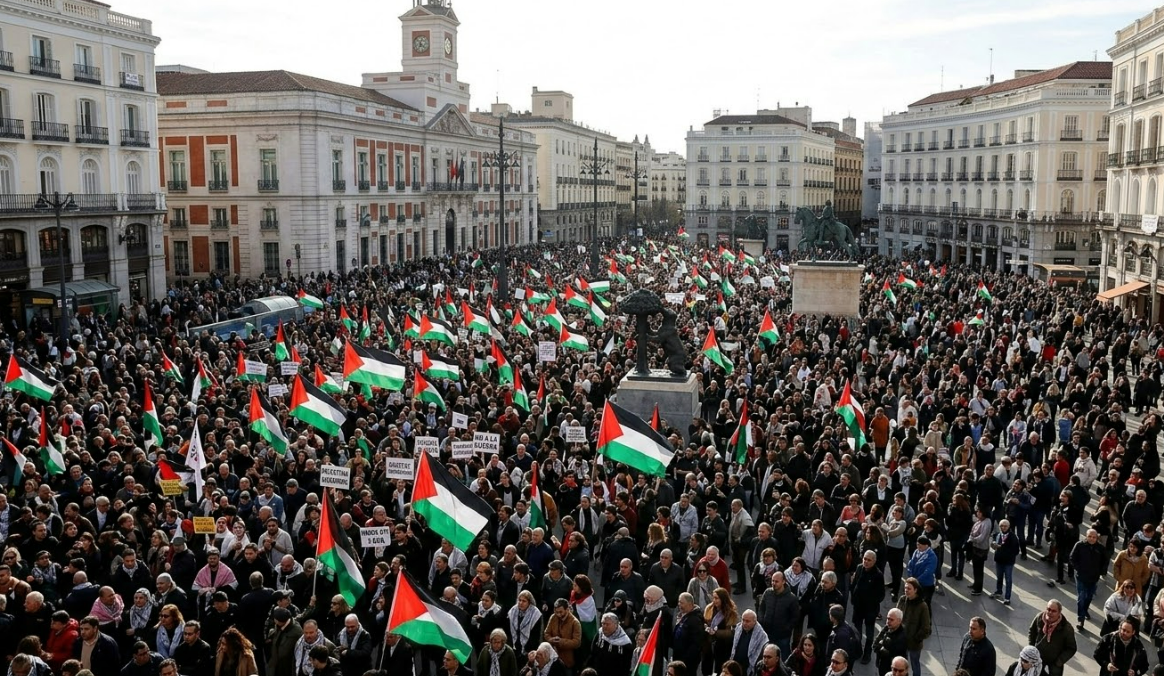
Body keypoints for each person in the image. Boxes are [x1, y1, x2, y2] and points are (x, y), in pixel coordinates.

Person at [1026, 600, 1077, 676]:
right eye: (1048, 609)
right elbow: (1032, 631)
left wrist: (1060, 661)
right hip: (1038, 656)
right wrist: (1032, 648)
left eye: (1053, 611)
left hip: (1055, 661)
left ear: (1059, 613)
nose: (1050, 613)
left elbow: (1072, 648)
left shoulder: (1066, 628)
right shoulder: (1039, 618)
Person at [1072, 528, 1107, 631]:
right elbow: (1072, 558)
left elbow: (1105, 561)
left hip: (1093, 578)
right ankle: (1080, 619)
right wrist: (1079, 568)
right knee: (1081, 598)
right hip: (1081, 577)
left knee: (1089, 597)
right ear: (1086, 536)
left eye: (1094, 537)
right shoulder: (1079, 545)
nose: (1092, 539)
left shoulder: (1100, 549)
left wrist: (1100, 572)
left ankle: (1085, 610)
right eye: (1090, 537)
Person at [896, 578, 930, 676]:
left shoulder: (922, 606)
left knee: (915, 663)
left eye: (909, 588)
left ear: (915, 590)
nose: (906, 590)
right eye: (905, 588)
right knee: (901, 664)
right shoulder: (902, 600)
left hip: (914, 643)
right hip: (901, 640)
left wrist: (916, 638)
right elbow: (896, 615)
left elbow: (926, 628)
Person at [542, 599, 582, 671]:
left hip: (567, 661)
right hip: (552, 659)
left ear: (567, 609)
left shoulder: (575, 622)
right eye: (556, 612)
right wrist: (551, 640)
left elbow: (577, 642)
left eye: (561, 612)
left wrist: (561, 642)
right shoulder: (553, 617)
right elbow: (546, 633)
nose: (558, 614)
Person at [671, 593, 705, 676]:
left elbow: (696, 643)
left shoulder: (695, 620)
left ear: (690, 604)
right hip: (679, 657)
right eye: (679, 602)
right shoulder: (683, 615)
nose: (679, 605)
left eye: (681, 603)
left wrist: (685, 660)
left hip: (687, 661)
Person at [991, 519, 1020, 605]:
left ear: (1009, 526)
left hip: (1008, 562)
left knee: (1008, 579)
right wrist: (994, 546)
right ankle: (998, 591)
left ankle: (1007, 597)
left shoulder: (1013, 537)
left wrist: (1002, 548)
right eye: (1001, 526)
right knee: (999, 577)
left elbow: (1016, 551)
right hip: (999, 560)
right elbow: (995, 545)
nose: (1003, 528)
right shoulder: (998, 535)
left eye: (1005, 526)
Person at [869, 608, 906, 676]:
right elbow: (875, 645)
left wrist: (881, 648)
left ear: (899, 621)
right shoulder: (887, 628)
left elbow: (894, 656)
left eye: (891, 620)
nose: (888, 621)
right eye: (888, 618)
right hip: (881, 665)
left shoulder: (901, 638)